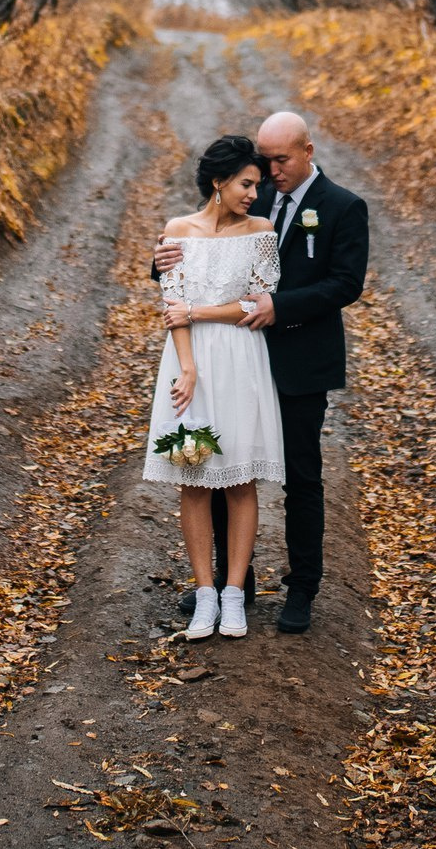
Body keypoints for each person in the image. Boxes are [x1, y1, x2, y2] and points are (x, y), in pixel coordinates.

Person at [153, 110, 368, 633]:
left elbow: (345, 284)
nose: (270, 173)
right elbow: (196, 257)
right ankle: (233, 584)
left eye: (281, 160)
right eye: (264, 162)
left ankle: (302, 590)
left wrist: (281, 306)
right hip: (235, 356)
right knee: (221, 462)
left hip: (299, 359)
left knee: (301, 476)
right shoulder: (253, 192)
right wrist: (159, 260)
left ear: (307, 150)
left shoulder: (342, 207)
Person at [143, 135, 286, 640]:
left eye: (258, 185)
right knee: (194, 475)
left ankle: (234, 595)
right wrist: (187, 368)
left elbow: (257, 305)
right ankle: (204, 594)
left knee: (240, 480)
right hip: (191, 362)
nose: (254, 193)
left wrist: (201, 313)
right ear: (219, 182)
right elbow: (172, 304)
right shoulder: (177, 231)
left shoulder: (260, 231)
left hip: (242, 358)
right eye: (247, 184)